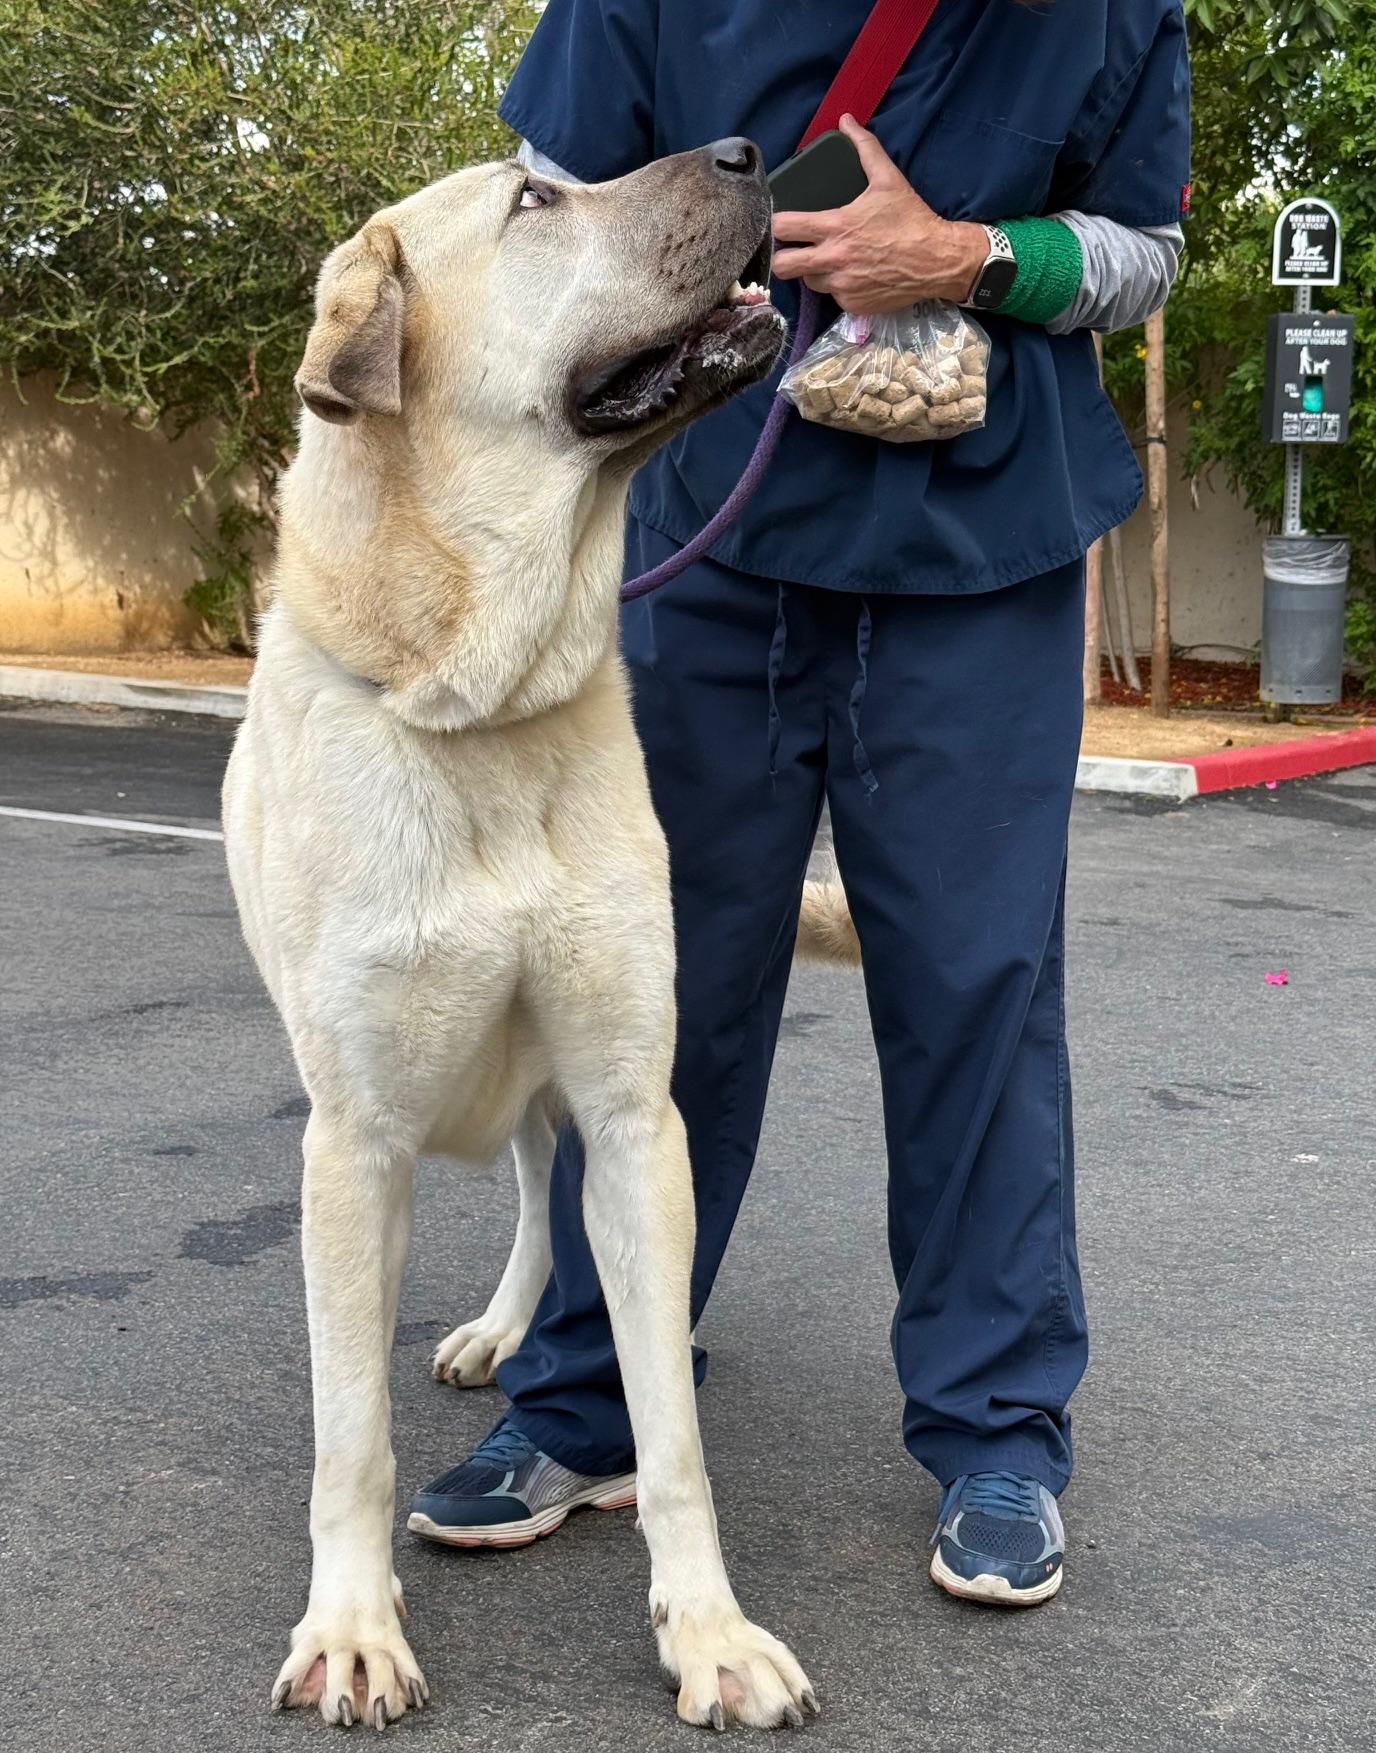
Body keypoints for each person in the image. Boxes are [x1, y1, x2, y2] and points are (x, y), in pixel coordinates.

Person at [411, 0, 1190, 1607]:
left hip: (985, 558)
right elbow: (542, 203)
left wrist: (968, 256)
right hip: (709, 531)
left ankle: (998, 1431)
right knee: (652, 997)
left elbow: (1142, 249)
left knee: (978, 989)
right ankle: (588, 1399)